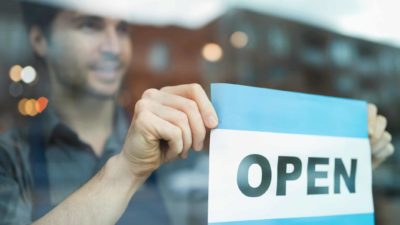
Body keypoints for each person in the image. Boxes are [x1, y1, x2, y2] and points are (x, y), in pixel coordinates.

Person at [0, 1, 395, 225]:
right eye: (89, 25)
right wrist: (128, 170)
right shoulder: (9, 158)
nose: (112, 46)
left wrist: (348, 164)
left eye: (122, 30)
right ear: (39, 39)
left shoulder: (180, 143)